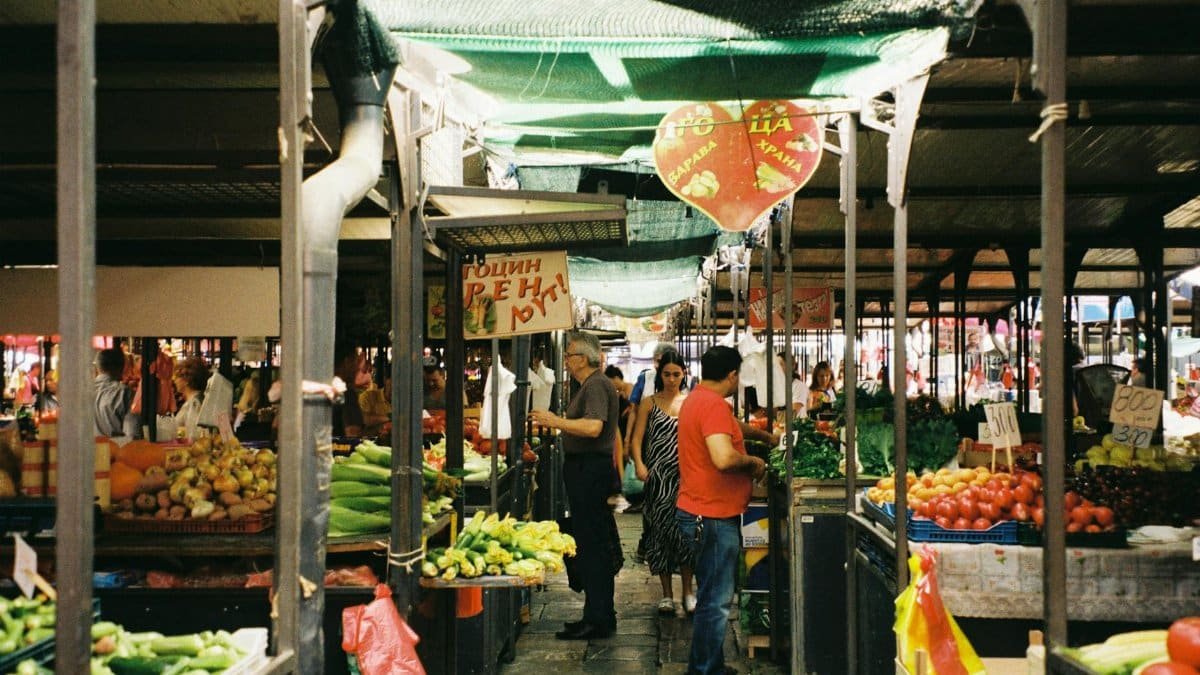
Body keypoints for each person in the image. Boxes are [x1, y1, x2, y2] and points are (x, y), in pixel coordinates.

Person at [676, 346, 776, 675]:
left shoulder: (696, 399)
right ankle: (704, 670)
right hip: (713, 517)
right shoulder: (714, 405)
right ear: (732, 375)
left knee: (710, 597)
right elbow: (723, 457)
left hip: (699, 511)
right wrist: (754, 463)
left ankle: (710, 663)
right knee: (716, 602)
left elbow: (731, 428)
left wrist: (763, 435)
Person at [529, 331, 620, 641]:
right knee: (590, 541)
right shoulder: (592, 385)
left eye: (568, 355)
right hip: (586, 469)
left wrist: (556, 422)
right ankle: (597, 613)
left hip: (590, 470)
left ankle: (598, 618)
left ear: (582, 358)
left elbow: (593, 427)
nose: (565, 361)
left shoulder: (596, 385)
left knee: (592, 544)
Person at [629, 350, 694, 617]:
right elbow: (636, 439)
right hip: (657, 480)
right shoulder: (649, 402)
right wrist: (640, 465)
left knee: (687, 534)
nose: (671, 379)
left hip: (687, 478)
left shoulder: (690, 403)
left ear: (683, 374)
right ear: (660, 374)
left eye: (676, 374)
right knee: (659, 534)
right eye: (666, 374)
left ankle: (688, 591)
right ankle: (666, 594)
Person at [95, 348, 136, 439]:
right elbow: (132, 433)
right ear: (122, 368)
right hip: (114, 450)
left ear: (98, 367)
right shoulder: (124, 392)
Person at [172, 356, 209, 441]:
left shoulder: (194, 403)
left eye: (177, 377)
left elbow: (193, 433)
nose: (174, 380)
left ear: (186, 380)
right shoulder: (196, 400)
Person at [333, 343, 364, 438]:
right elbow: (352, 434)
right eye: (356, 361)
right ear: (347, 362)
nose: (358, 368)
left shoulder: (324, 388)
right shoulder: (347, 393)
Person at [777, 352, 808, 418]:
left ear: (792, 366)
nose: (777, 368)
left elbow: (793, 413)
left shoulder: (799, 386)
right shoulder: (777, 387)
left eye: (781, 364)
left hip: (796, 427)